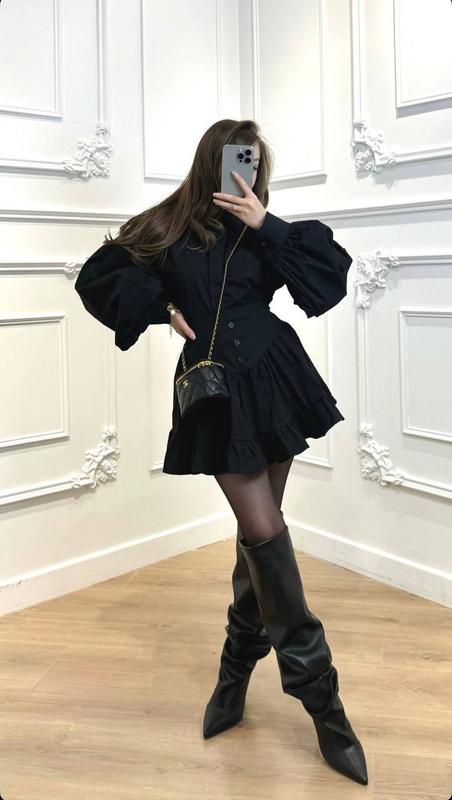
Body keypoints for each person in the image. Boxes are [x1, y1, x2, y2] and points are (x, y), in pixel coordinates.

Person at [74, 119, 368, 786]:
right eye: (239, 159)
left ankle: (233, 676)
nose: (248, 171)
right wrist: (159, 308)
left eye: (256, 162)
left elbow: (326, 285)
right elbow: (99, 276)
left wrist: (267, 224)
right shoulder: (168, 225)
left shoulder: (265, 228)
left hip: (275, 375)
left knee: (259, 541)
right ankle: (323, 703)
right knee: (264, 532)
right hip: (216, 392)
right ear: (213, 159)